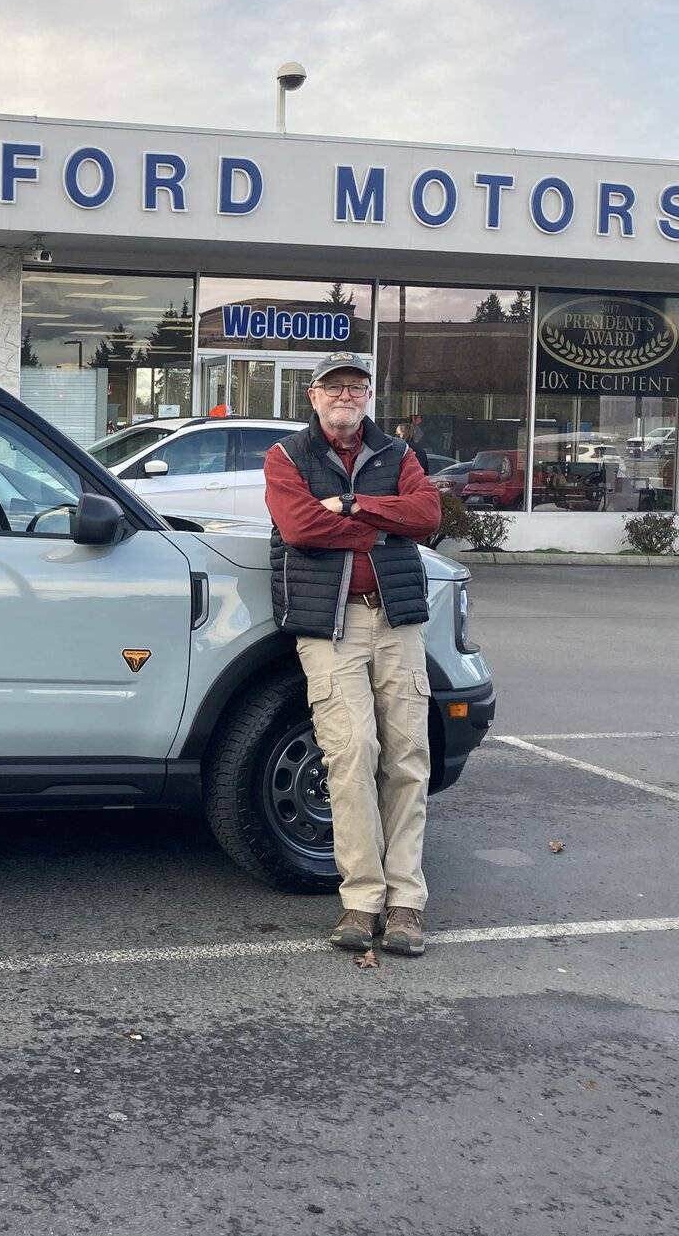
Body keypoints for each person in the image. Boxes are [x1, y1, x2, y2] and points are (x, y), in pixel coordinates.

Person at [262, 352, 442, 957]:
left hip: (396, 620)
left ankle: (406, 902)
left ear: (368, 396)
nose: (346, 395)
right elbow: (300, 528)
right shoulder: (287, 457)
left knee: (408, 756)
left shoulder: (399, 454)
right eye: (335, 387)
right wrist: (384, 523)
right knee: (351, 752)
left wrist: (355, 505)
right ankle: (362, 900)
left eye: (356, 387)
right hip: (328, 626)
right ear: (312, 396)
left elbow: (428, 514)